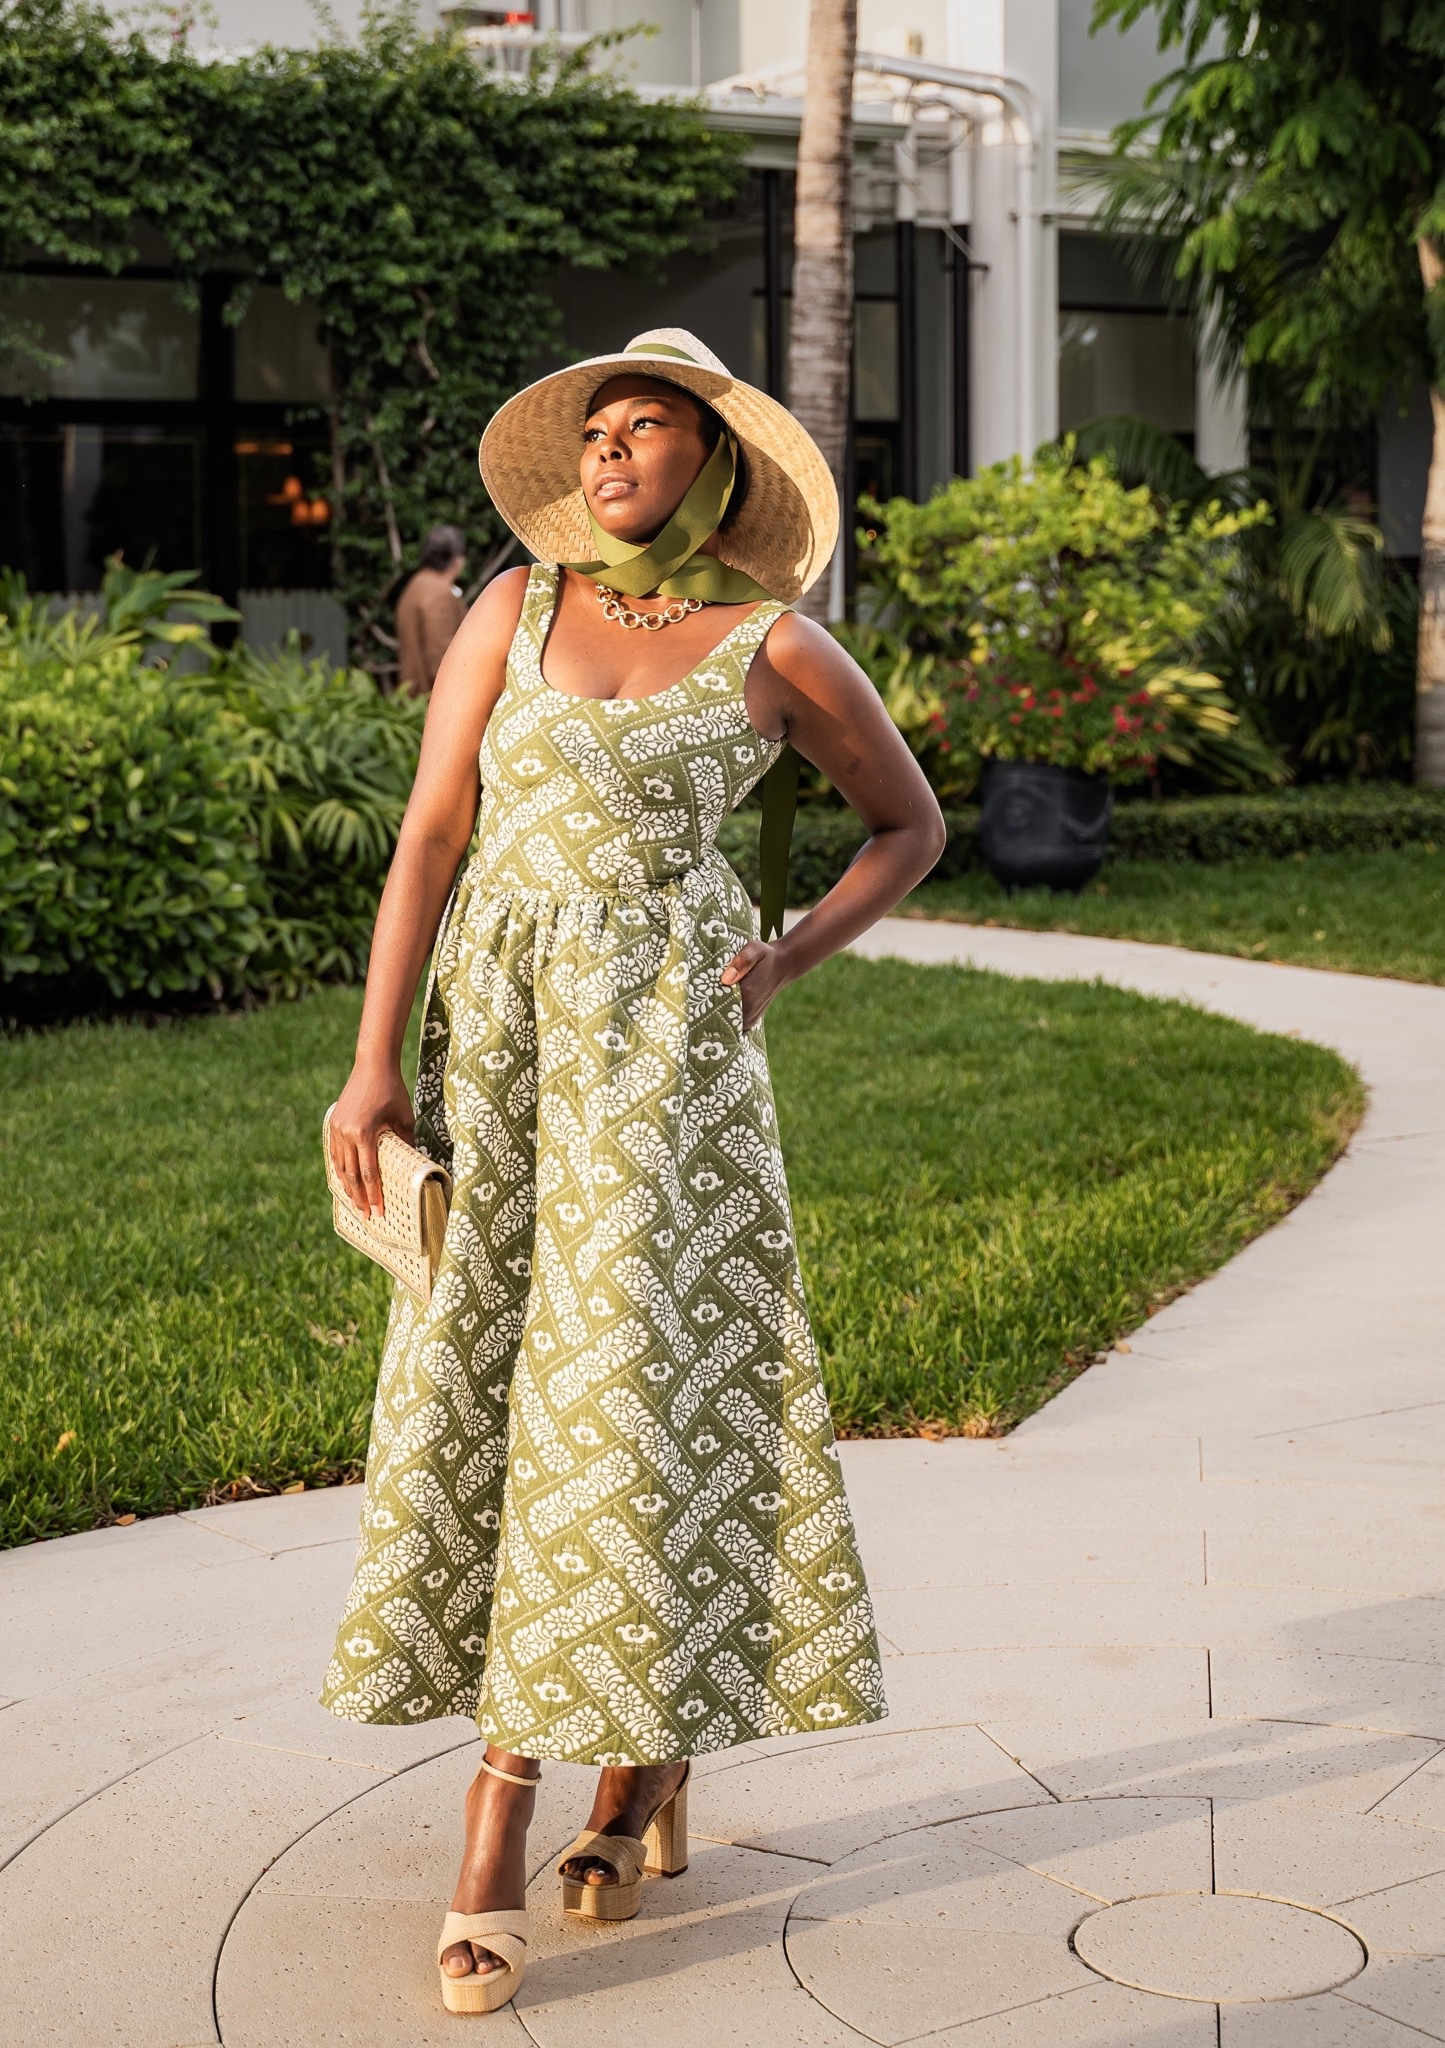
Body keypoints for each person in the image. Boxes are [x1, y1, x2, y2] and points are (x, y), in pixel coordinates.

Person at [320, 327, 947, 2017]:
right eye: (592, 430)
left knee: (623, 1403)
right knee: (502, 1392)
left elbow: (911, 824)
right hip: (502, 1063)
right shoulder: (507, 612)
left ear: (713, 461)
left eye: (642, 427)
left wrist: (785, 954)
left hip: (667, 1083)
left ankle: (500, 1818)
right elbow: (431, 839)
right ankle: (647, 1768)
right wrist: (374, 1062)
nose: (607, 454)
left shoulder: (771, 644)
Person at [394, 524, 468, 692]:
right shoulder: (440, 594)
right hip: (431, 699)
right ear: (457, 560)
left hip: (413, 697)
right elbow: (441, 659)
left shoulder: (417, 583)